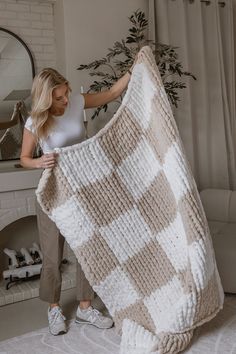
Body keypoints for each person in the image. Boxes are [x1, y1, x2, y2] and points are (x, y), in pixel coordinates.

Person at [20, 66, 133, 336]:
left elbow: (113, 93)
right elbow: (24, 158)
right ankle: (54, 308)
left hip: (83, 186)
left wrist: (133, 69)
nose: (66, 101)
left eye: (66, 94)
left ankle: (84, 306)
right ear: (46, 99)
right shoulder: (35, 121)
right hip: (53, 190)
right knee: (52, 253)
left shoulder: (77, 101)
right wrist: (38, 162)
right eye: (59, 98)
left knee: (87, 248)